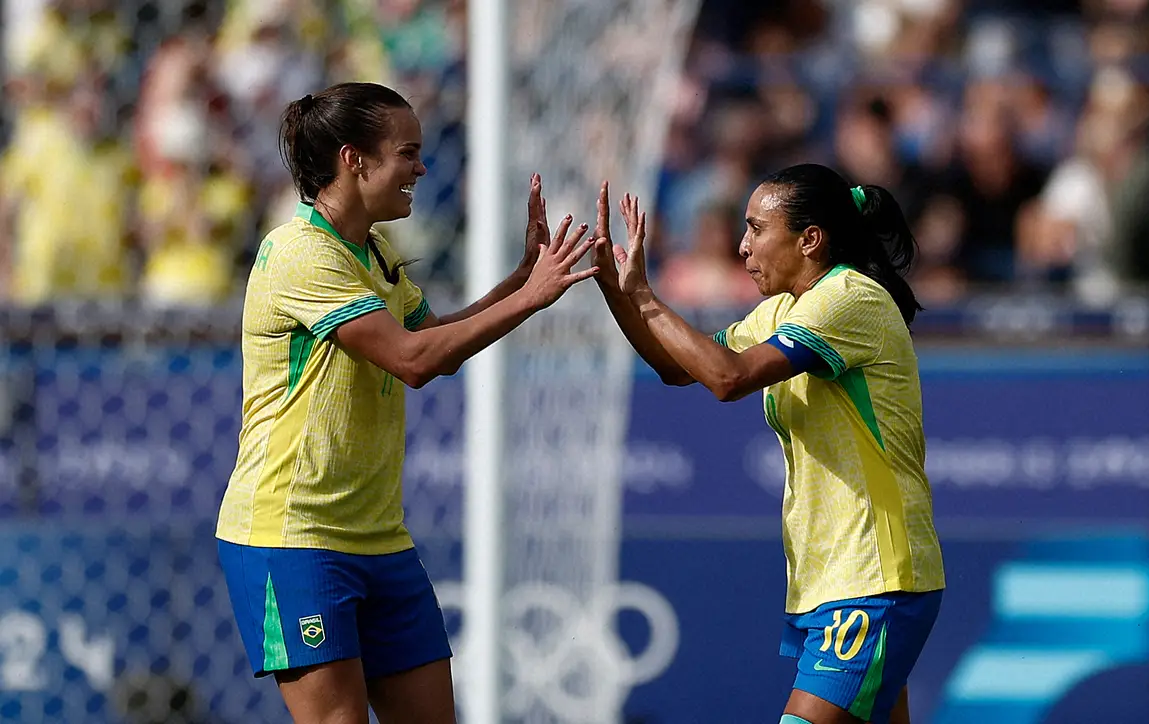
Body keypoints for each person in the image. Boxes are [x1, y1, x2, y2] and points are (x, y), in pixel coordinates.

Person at [215, 82, 598, 724]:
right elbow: (414, 361)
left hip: (380, 536)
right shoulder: (300, 253)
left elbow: (432, 338)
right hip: (294, 537)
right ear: (354, 160)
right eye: (407, 153)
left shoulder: (374, 251)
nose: (421, 169)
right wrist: (531, 297)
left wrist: (520, 278)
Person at [591, 165, 945, 724]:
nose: (742, 246)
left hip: (875, 577)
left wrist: (647, 297)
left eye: (757, 229)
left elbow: (728, 378)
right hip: (831, 580)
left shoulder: (848, 298)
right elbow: (677, 367)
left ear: (809, 239)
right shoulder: (785, 309)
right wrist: (617, 289)